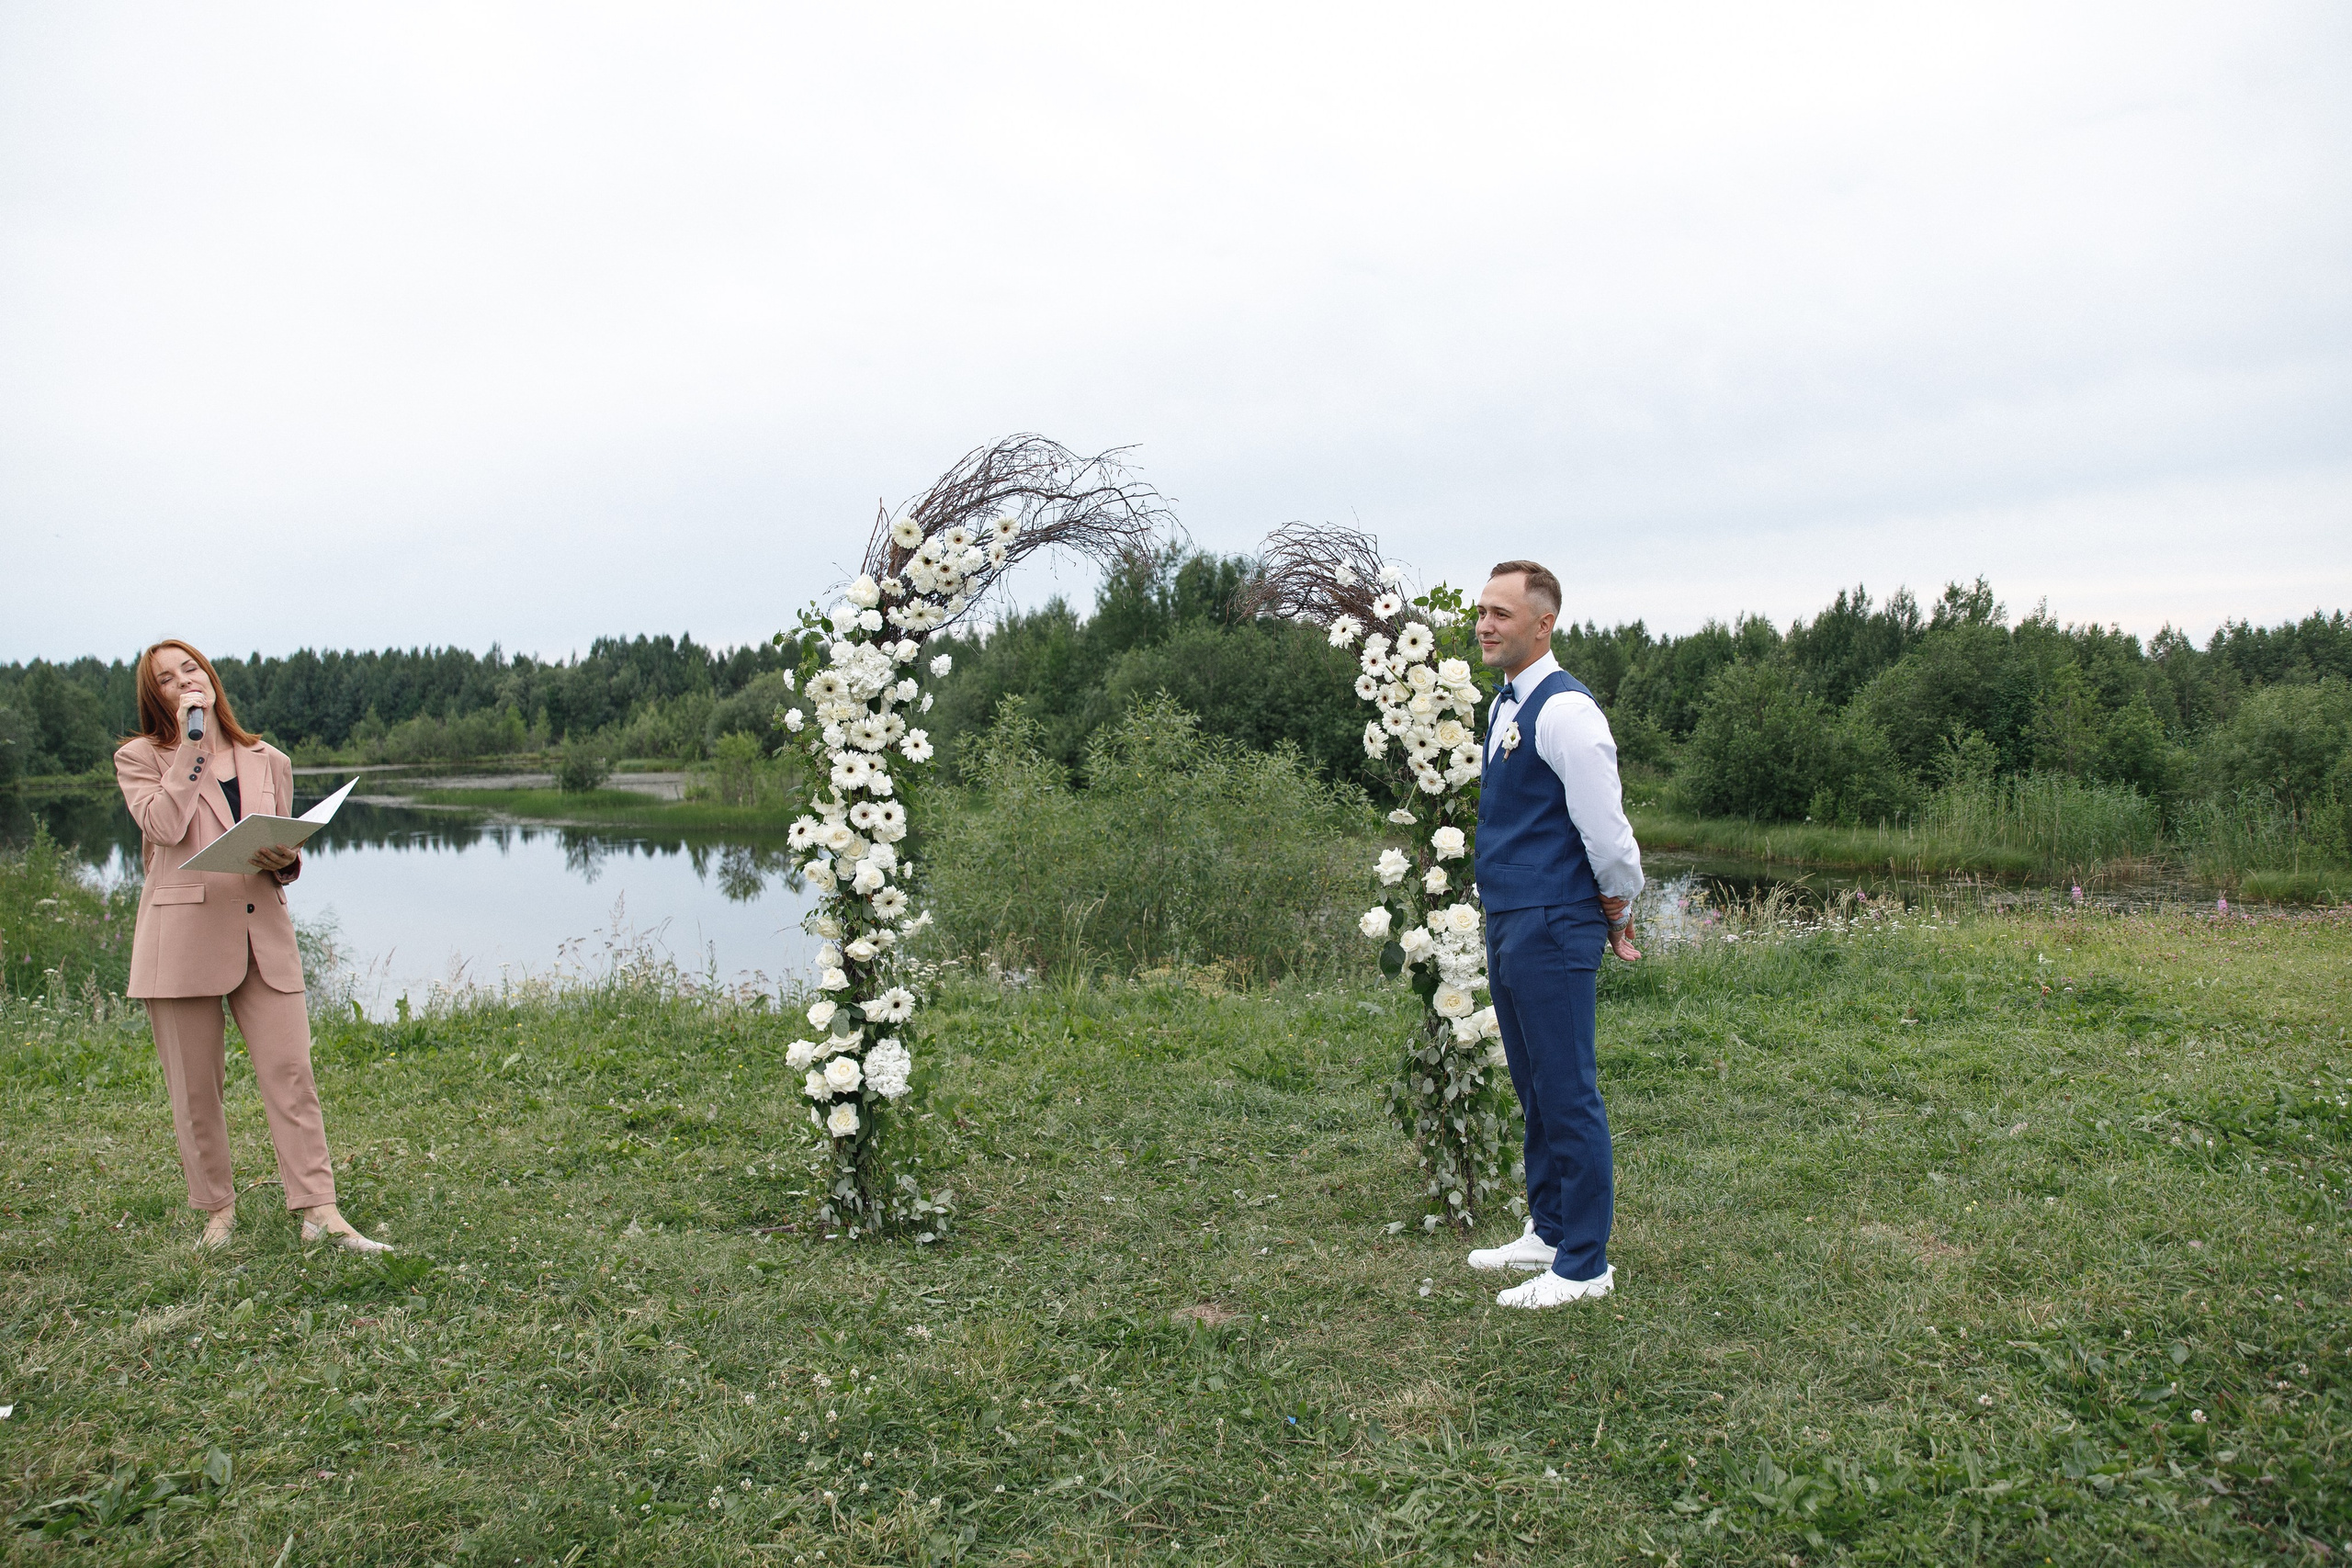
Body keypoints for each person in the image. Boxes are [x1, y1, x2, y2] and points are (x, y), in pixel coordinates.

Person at [112, 639, 388, 1254]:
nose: (184, 680)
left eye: (191, 668)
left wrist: (286, 859)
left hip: (262, 933)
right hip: (180, 939)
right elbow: (163, 827)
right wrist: (192, 744)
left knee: (292, 1073)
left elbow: (281, 852)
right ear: (156, 697)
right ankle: (218, 1212)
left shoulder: (270, 760)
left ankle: (320, 1211)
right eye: (167, 678)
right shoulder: (139, 757)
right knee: (195, 1088)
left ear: (211, 676)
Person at [1464, 561, 1642, 1309]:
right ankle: (1549, 1228)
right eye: (1482, 611)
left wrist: (1618, 912)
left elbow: (1609, 835)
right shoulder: (1505, 704)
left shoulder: (1567, 712)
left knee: (1567, 1089)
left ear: (1544, 623)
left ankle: (1584, 1264)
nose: (1485, 624)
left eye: (1501, 613)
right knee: (1533, 1083)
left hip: (1554, 919)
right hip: (1511, 915)